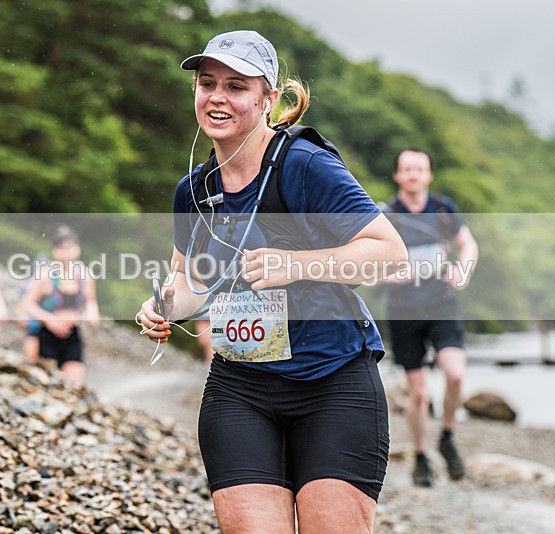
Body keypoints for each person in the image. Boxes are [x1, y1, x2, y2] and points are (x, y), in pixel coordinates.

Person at [136, 30, 407, 533]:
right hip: (240, 388)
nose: (217, 97)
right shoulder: (194, 191)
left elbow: (390, 254)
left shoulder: (305, 166)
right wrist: (163, 308)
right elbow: (190, 281)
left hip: (333, 383)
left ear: (268, 100)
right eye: (207, 83)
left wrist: (299, 263)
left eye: (236, 86)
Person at [383, 148, 479, 487]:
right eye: (407, 169)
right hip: (404, 310)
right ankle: (421, 456)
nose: (413, 175)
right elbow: (368, 258)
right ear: (397, 175)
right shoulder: (386, 214)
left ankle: (448, 436)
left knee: (455, 374)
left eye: (419, 169)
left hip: (442, 305)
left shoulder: (442, 209)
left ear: (429, 175)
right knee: (419, 393)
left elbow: (468, 245)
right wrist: (386, 273)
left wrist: (463, 272)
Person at [20, 226, 100, 386]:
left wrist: (92, 314)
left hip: (71, 335)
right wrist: (50, 320)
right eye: (62, 248)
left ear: (78, 249)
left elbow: (90, 300)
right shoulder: (45, 275)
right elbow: (27, 304)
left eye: (71, 247)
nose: (67, 253)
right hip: (46, 335)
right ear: (55, 251)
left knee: (74, 386)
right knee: (45, 385)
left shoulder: (85, 275)